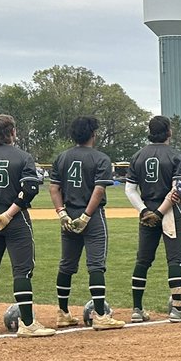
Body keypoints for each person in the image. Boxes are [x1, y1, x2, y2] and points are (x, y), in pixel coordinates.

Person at [0, 114, 55, 337]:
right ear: (13, 132)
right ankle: (27, 323)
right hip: (14, 219)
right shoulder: (23, 157)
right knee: (22, 270)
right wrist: (8, 214)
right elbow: (30, 190)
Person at [49, 116, 125, 329]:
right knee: (96, 265)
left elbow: (54, 188)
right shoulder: (100, 158)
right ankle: (100, 315)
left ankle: (62, 312)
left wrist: (62, 213)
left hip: (68, 215)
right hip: (91, 217)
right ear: (93, 134)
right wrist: (86, 216)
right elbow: (98, 190)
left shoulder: (61, 157)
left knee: (66, 265)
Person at [125, 115, 181, 323]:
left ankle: (137, 309)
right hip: (169, 212)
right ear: (169, 132)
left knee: (143, 260)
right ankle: (178, 308)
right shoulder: (176, 156)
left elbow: (130, 189)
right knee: (175, 260)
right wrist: (159, 213)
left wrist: (144, 211)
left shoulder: (138, 156)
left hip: (146, 211)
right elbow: (177, 190)